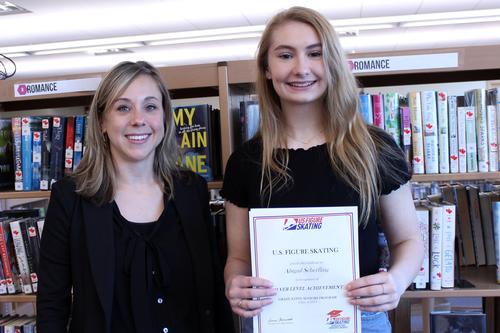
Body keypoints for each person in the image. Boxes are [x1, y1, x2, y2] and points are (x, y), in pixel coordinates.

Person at [222, 6, 424, 332]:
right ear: (267, 69)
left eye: (315, 53)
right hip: (275, 321)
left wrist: (397, 280)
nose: (301, 68)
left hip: (360, 320)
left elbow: (409, 241)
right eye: (285, 55)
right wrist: (235, 283)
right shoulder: (246, 163)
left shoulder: (375, 150)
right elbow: (239, 259)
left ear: (331, 63)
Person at [37, 61, 234, 333]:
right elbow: (52, 305)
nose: (138, 119)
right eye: (123, 107)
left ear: (164, 117)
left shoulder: (192, 191)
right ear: (102, 121)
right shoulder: (70, 198)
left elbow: (213, 292)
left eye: (150, 106)